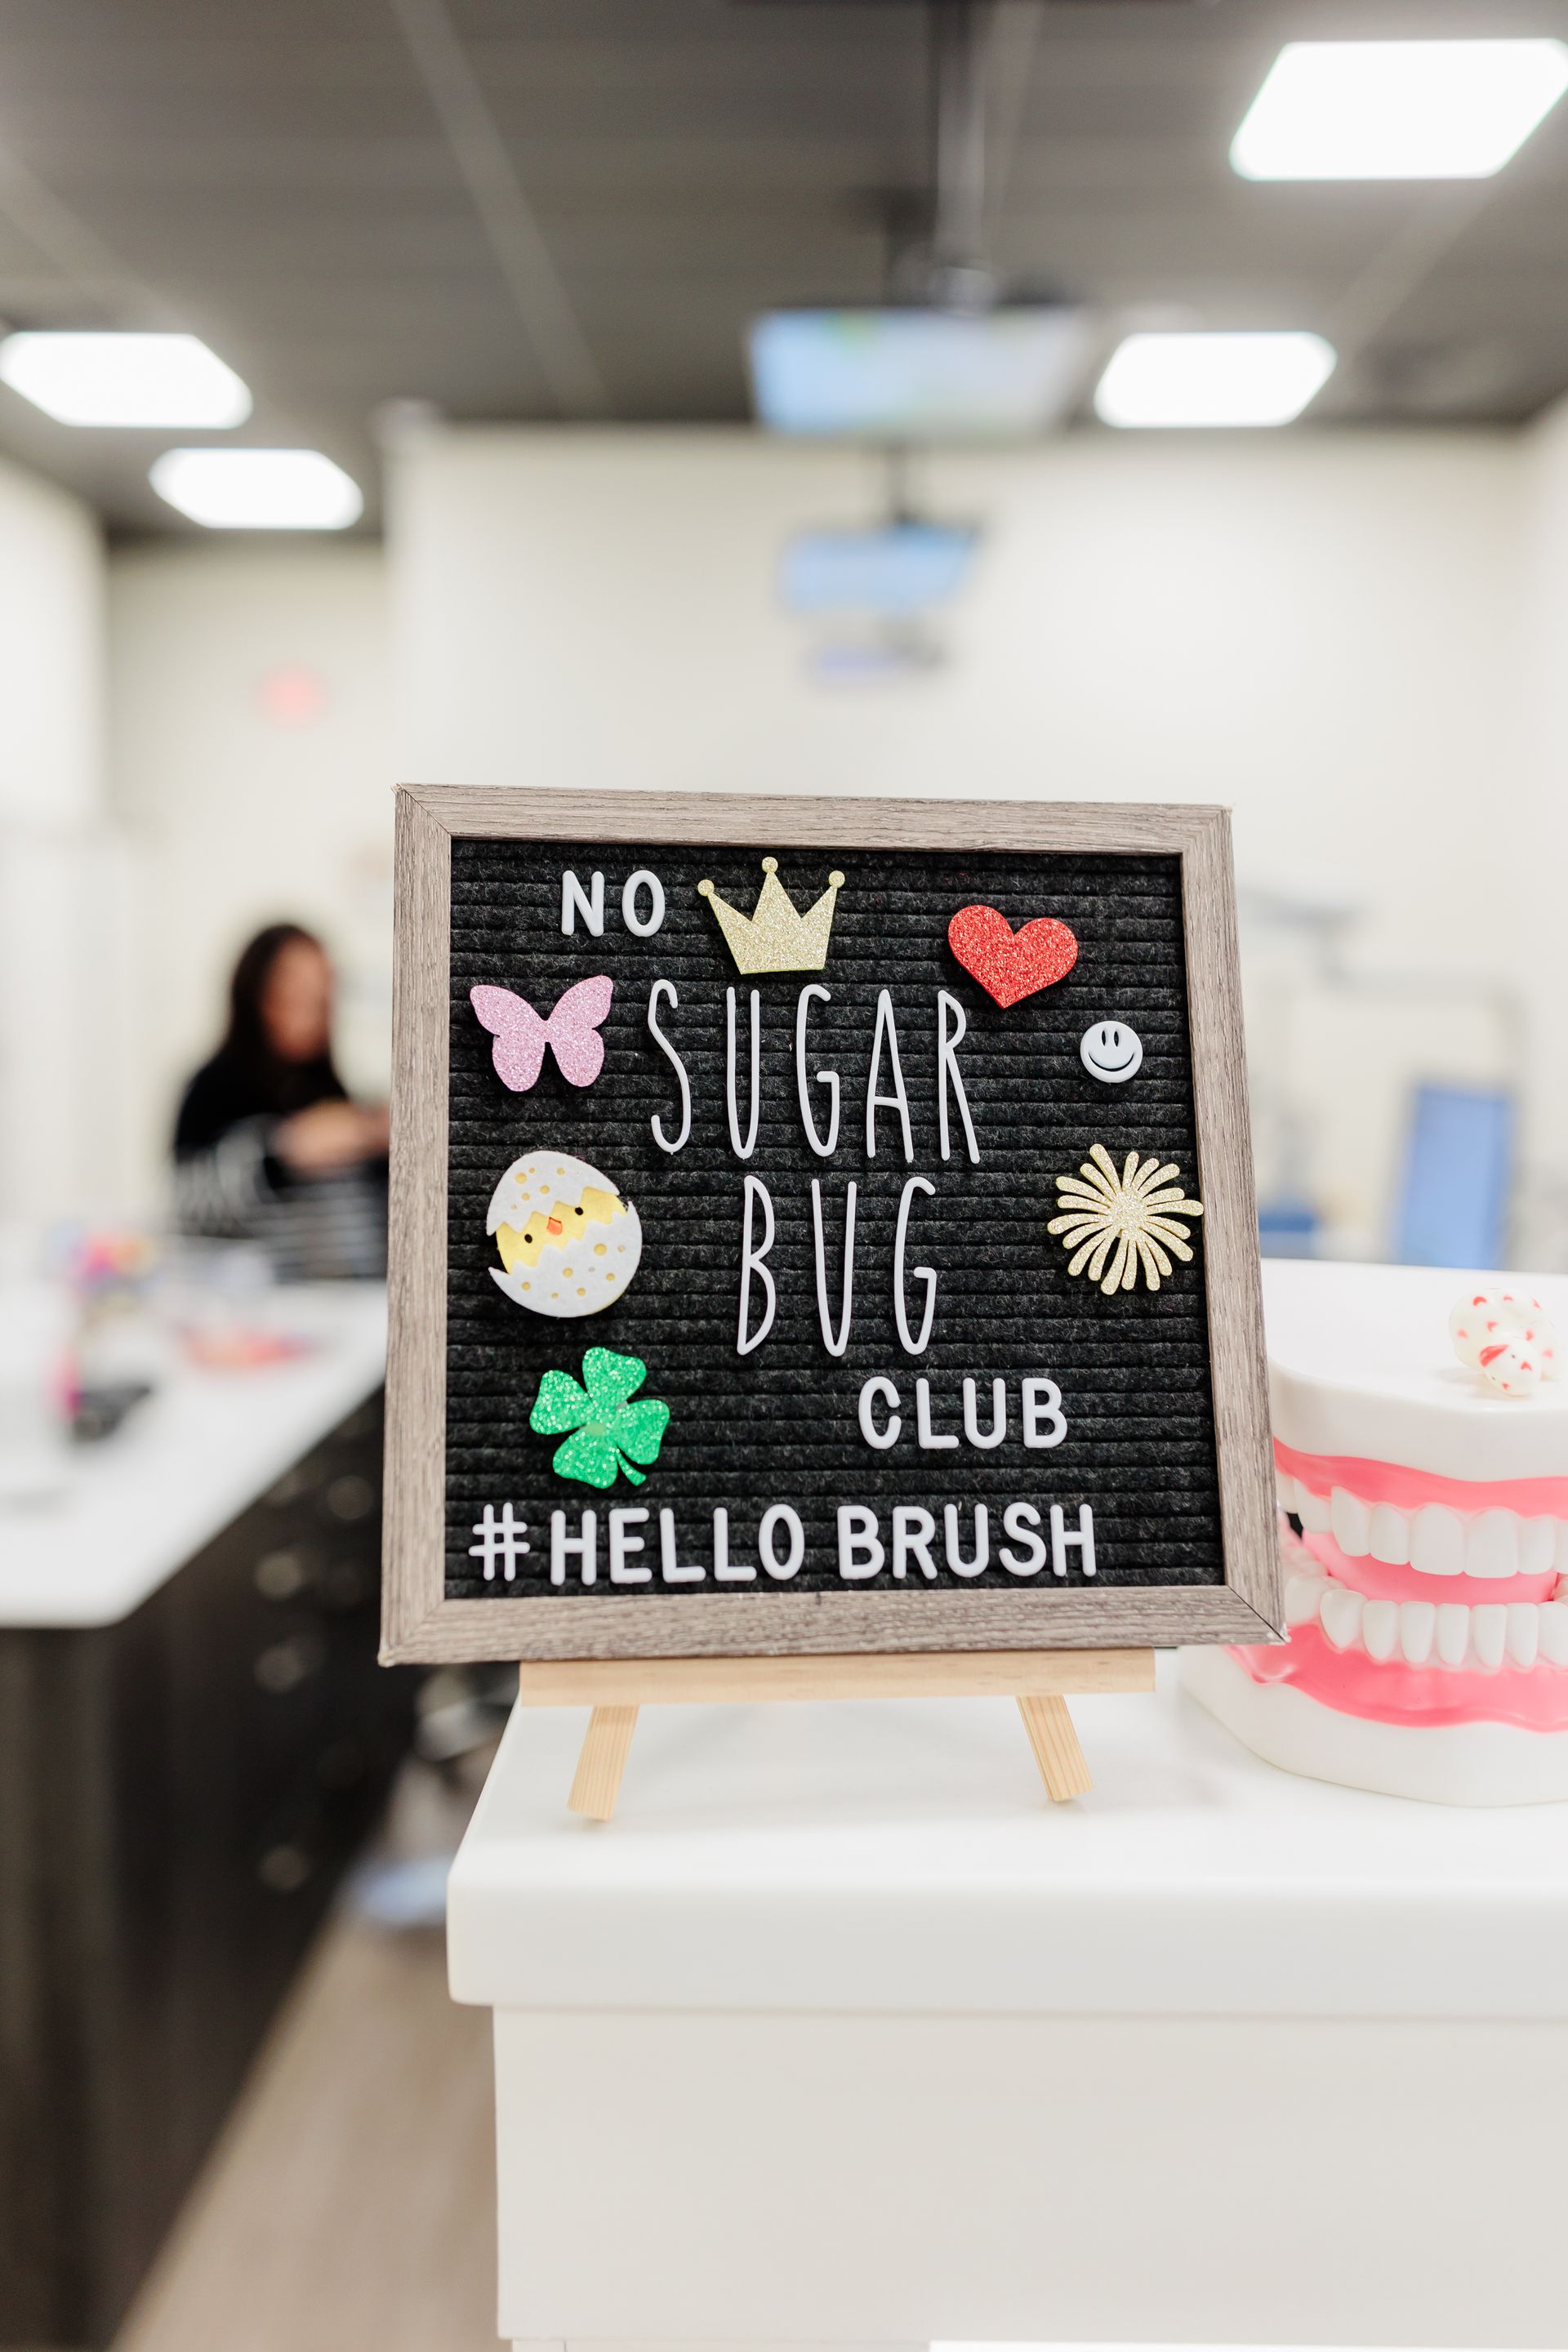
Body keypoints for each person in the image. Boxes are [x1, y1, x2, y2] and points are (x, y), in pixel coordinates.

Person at [172, 924, 389, 1280]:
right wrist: (280, 1155)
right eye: (294, 988)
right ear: (255, 993)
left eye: (322, 991)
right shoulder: (212, 1089)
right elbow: (188, 1205)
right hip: (259, 1311)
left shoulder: (330, 1091)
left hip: (353, 1301)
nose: (312, 1003)